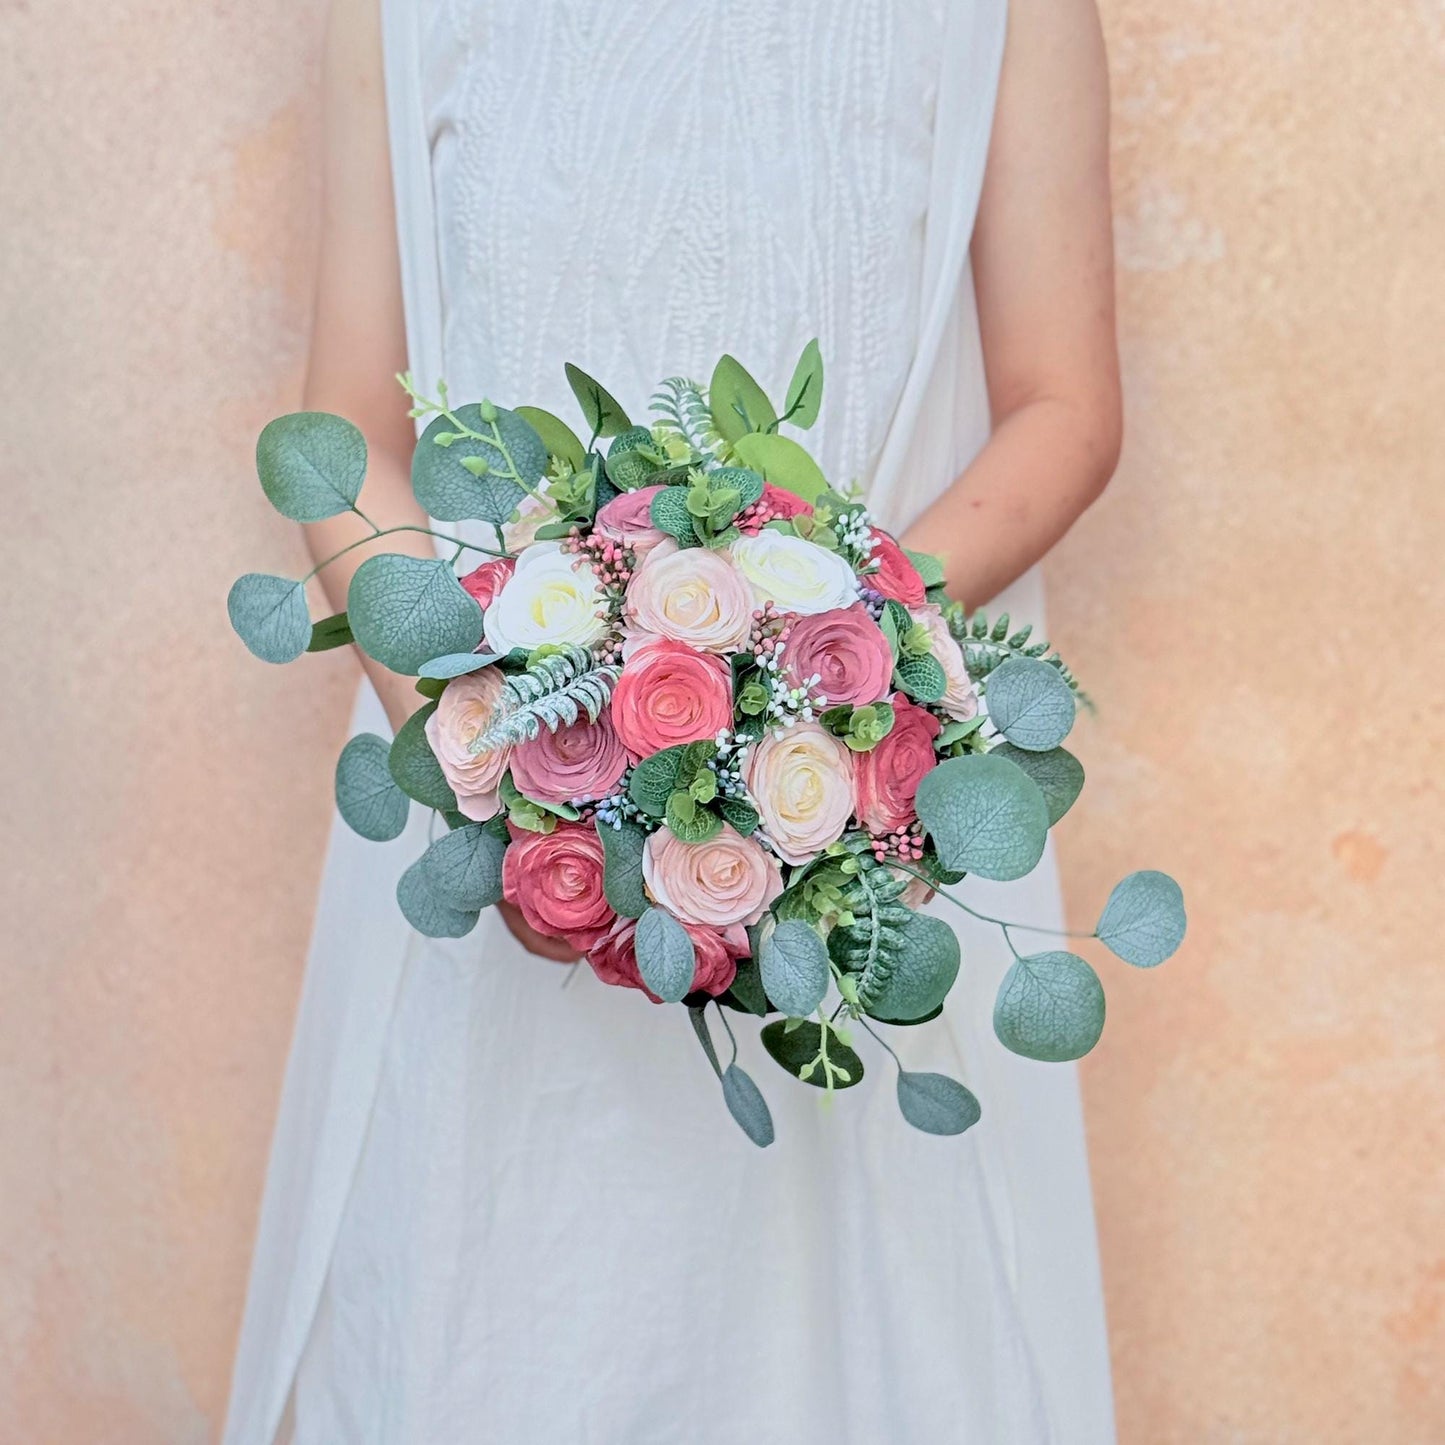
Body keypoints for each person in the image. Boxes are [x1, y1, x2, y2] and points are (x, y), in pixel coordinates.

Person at [225, 0, 1122, 1440]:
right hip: (491, 887)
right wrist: (494, 757)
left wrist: (819, 670)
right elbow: (344, 438)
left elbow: (1064, 404)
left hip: (847, 845)